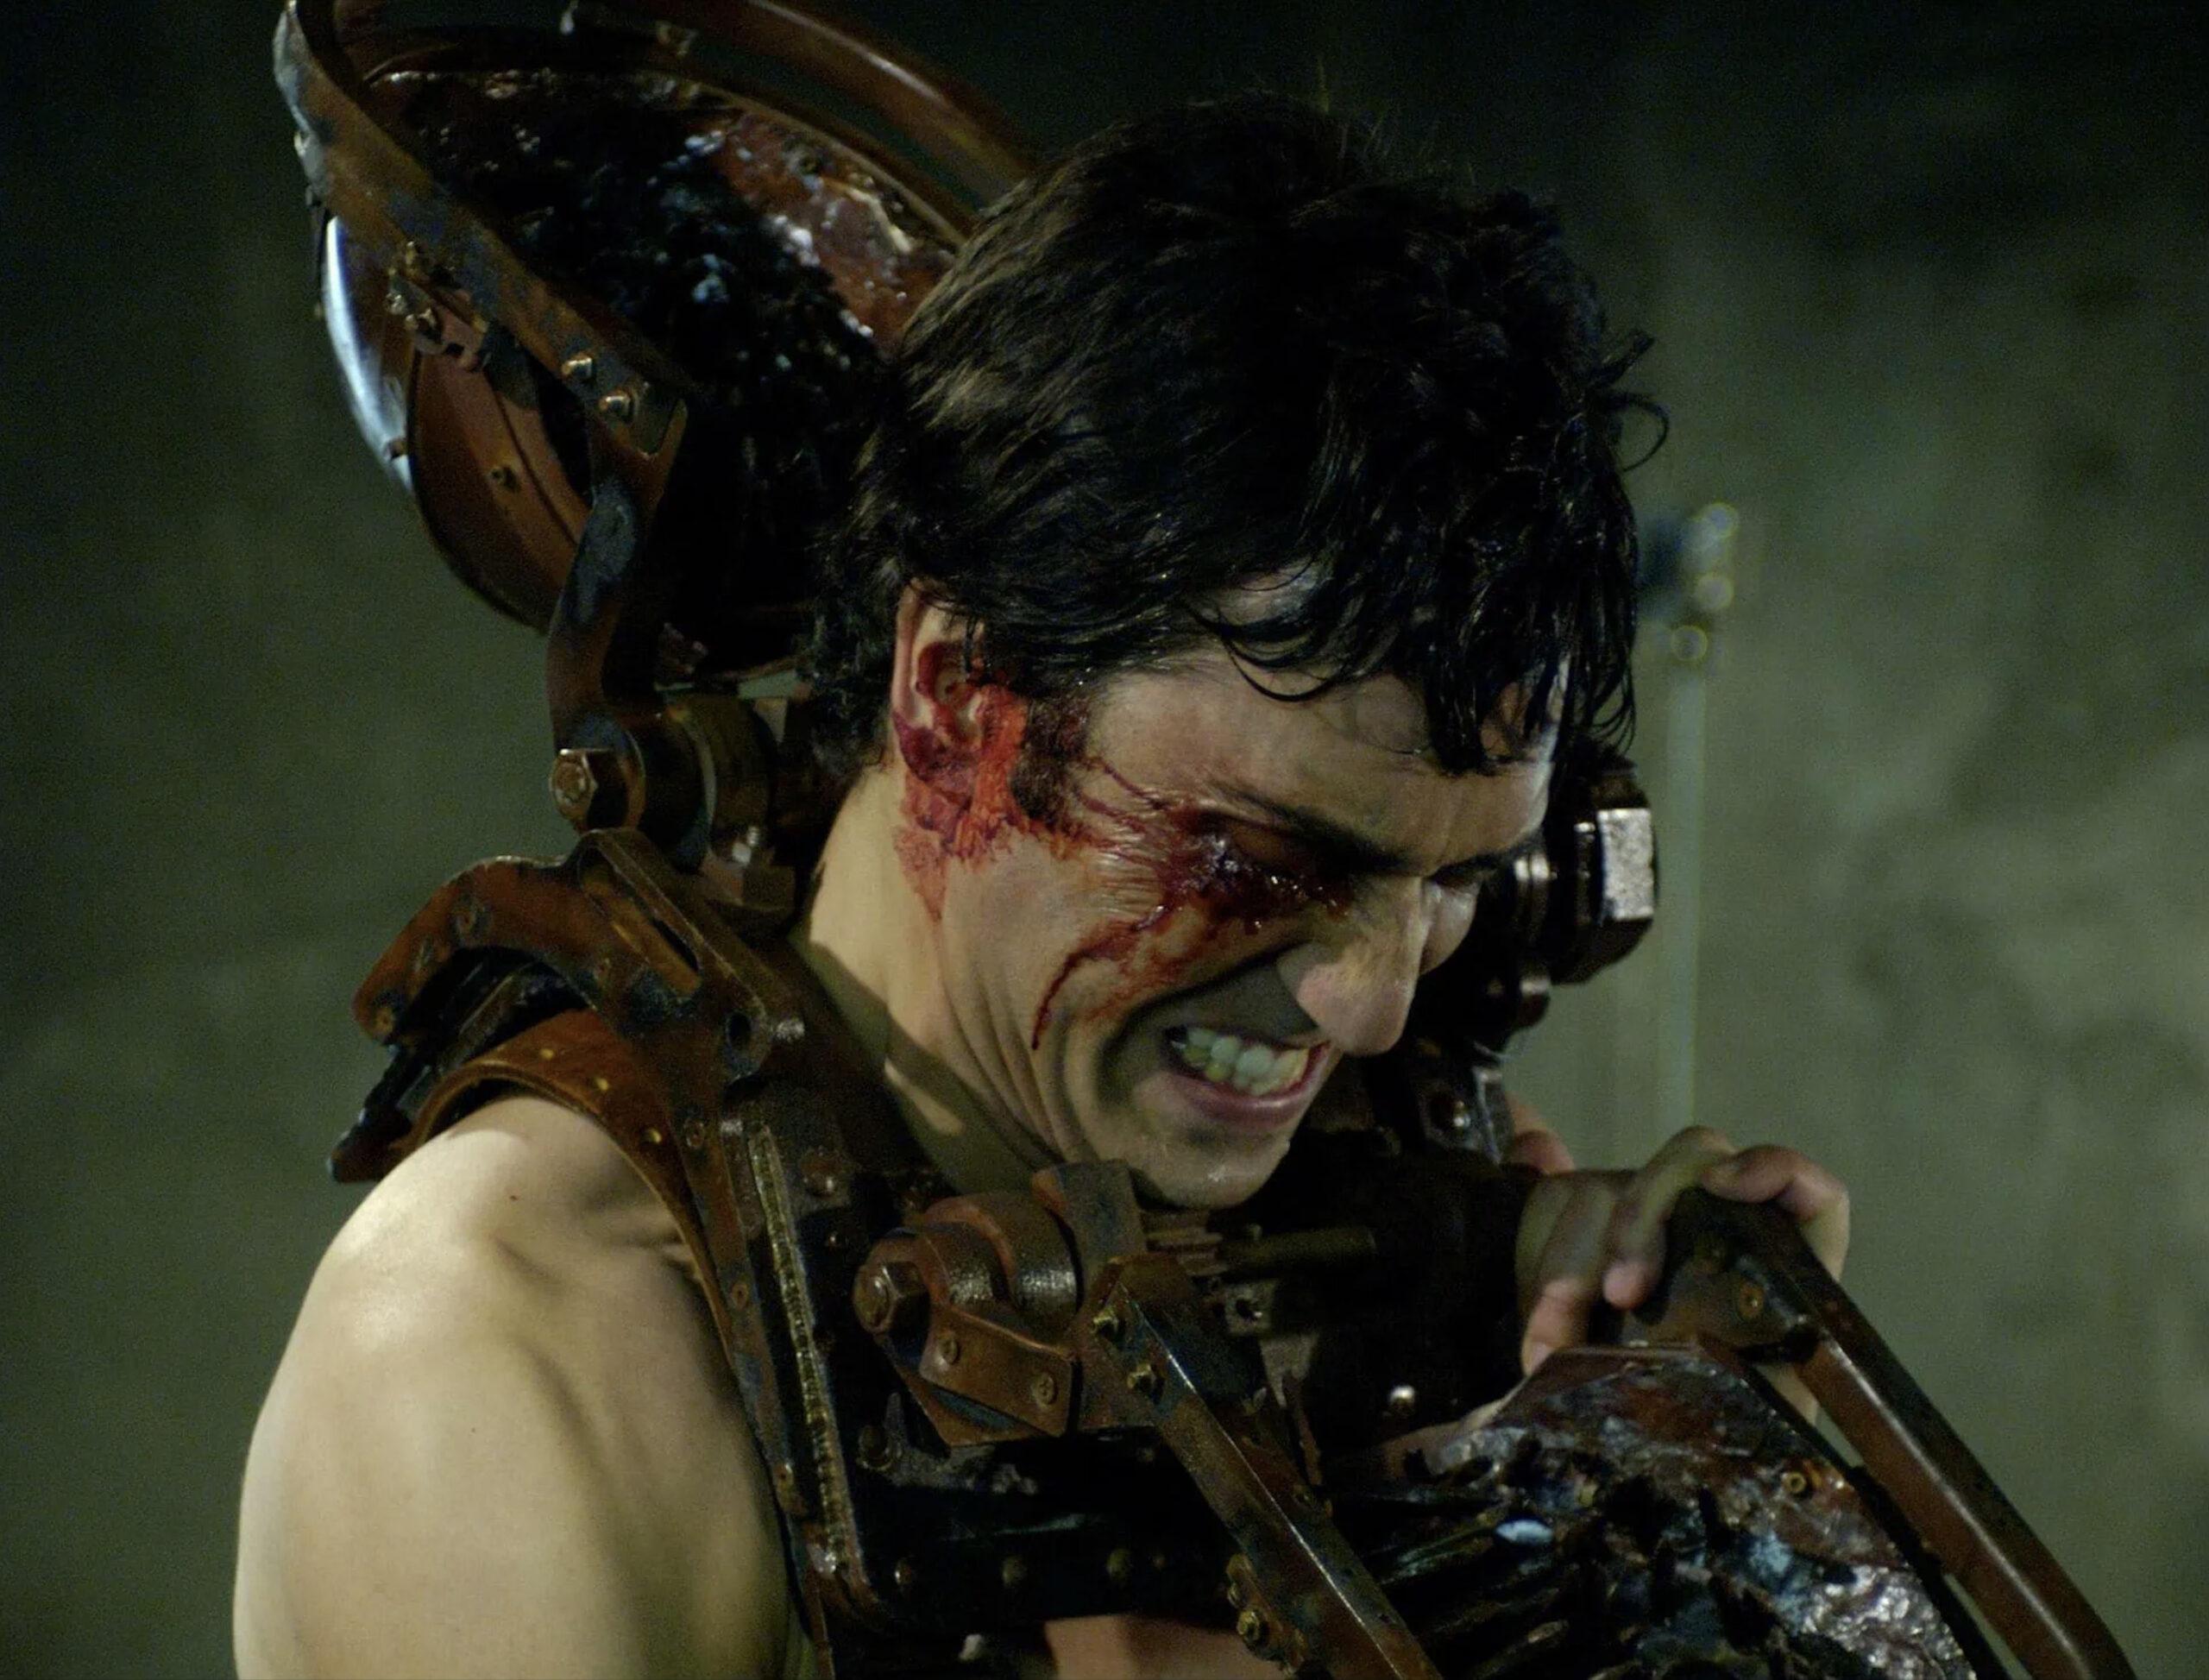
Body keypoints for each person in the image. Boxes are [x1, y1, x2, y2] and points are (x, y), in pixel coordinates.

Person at [234, 95, 1847, 1679]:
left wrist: (1640, 1484)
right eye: (1269, 860)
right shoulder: (503, 1365)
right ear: (952, 699)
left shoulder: (1350, 1205)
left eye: (1454, 881)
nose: (1373, 1006)